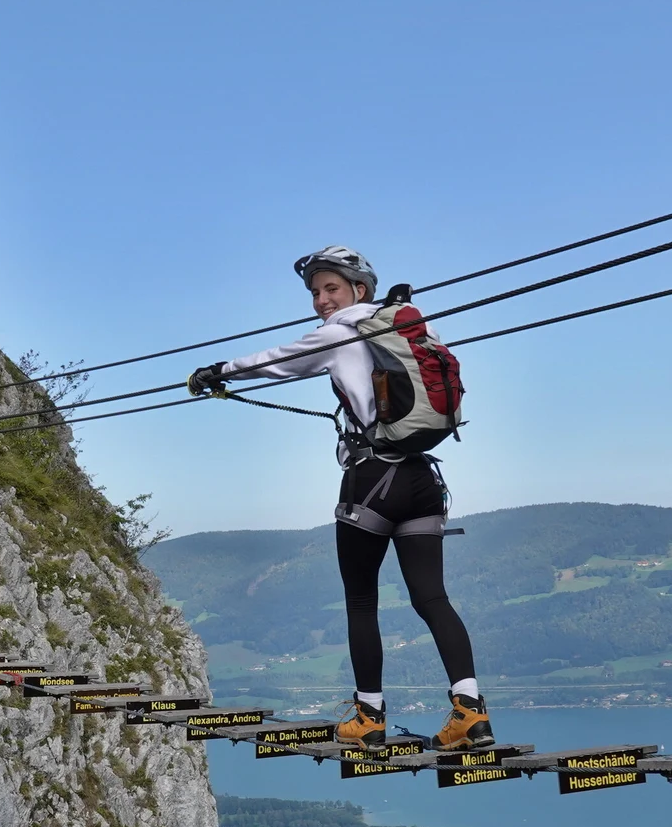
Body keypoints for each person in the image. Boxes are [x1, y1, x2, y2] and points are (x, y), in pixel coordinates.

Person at [188, 246, 493, 751]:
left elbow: (276, 362)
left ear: (359, 290)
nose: (321, 301)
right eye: (315, 292)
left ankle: (368, 718)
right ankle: (471, 713)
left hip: (371, 478)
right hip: (421, 479)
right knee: (433, 598)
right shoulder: (416, 329)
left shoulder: (341, 330)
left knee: (360, 601)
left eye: (331, 288)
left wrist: (218, 371)